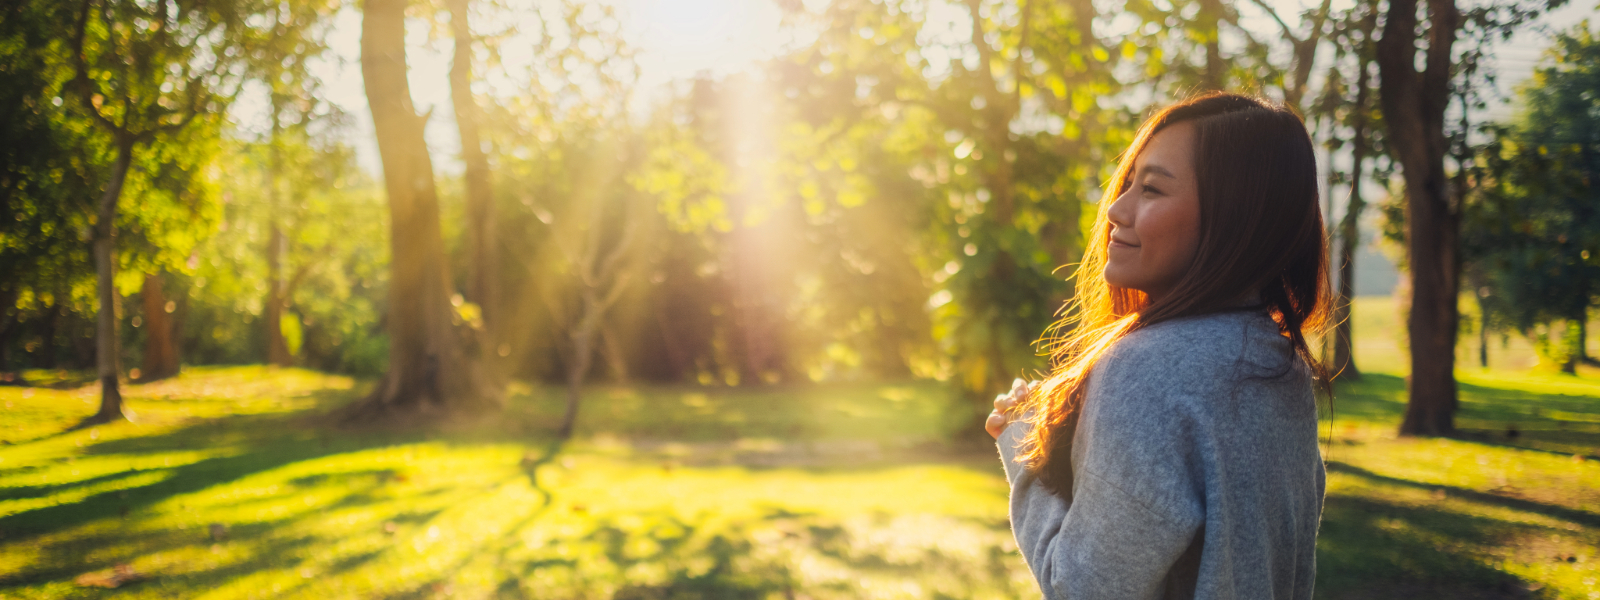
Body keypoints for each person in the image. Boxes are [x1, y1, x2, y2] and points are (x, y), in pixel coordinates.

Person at [985, 92, 1329, 600]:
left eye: (1151, 189)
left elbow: (1082, 590)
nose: (1116, 210)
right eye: (1128, 183)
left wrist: (1023, 449)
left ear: (1233, 218)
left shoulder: (1146, 369)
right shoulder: (1278, 363)